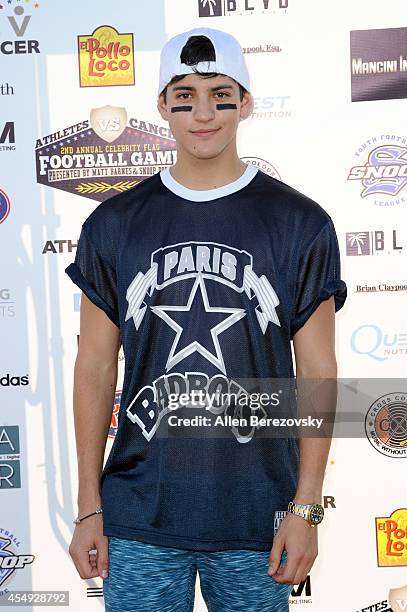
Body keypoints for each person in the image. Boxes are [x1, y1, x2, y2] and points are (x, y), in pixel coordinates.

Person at [65, 26, 347, 612]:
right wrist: (90, 503)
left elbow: (317, 370)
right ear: (162, 106)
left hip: (257, 521)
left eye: (221, 94)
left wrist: (306, 507)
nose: (203, 113)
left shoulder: (300, 223)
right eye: (185, 95)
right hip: (139, 515)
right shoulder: (114, 225)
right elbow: (94, 364)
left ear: (246, 102)